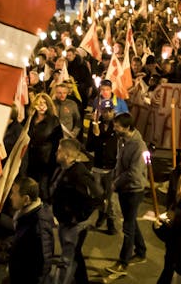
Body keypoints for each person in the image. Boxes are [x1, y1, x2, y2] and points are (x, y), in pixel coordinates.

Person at [49, 138, 101, 284]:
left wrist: (76, 218)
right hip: (65, 221)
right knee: (75, 254)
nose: (55, 152)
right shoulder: (62, 168)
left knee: (66, 260)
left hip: (73, 226)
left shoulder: (79, 174)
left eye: (59, 150)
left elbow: (96, 197)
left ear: (67, 155)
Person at [107, 112, 148, 275]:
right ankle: (141, 251)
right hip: (124, 188)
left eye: (117, 126)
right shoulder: (122, 140)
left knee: (128, 227)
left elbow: (134, 173)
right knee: (131, 222)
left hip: (134, 190)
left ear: (127, 127)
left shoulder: (139, 146)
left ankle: (123, 262)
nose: (114, 128)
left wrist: (116, 182)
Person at [7, 177, 56, 284]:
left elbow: (44, 263)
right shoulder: (25, 215)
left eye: (14, 194)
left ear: (26, 199)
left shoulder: (39, 224)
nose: (11, 197)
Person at [86, 95, 121, 235]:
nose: (107, 114)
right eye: (105, 111)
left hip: (112, 168)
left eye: (110, 111)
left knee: (112, 198)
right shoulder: (95, 126)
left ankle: (111, 222)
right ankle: (102, 214)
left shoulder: (117, 128)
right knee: (99, 196)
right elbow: (89, 147)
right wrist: (95, 135)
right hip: (98, 167)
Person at [26, 93, 64, 200]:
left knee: (43, 190)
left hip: (46, 161)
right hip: (31, 160)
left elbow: (59, 141)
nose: (42, 106)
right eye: (39, 103)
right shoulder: (31, 119)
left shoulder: (53, 121)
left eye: (44, 103)